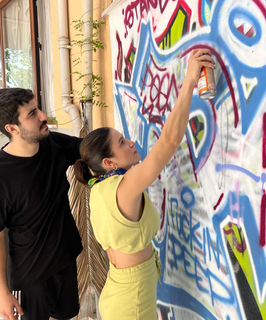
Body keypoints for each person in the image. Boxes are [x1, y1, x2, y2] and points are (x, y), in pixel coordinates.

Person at [73, 49, 215, 319]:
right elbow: (169, 142)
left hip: (120, 291)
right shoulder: (125, 186)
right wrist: (189, 82)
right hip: (131, 301)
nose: (131, 143)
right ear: (109, 163)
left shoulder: (98, 188)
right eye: (122, 143)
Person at [0, 88, 83, 320]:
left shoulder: (52, 143)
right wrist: (2, 292)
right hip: (29, 276)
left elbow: (87, 148)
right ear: (12, 129)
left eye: (38, 108)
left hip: (64, 261)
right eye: (32, 114)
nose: (43, 116)